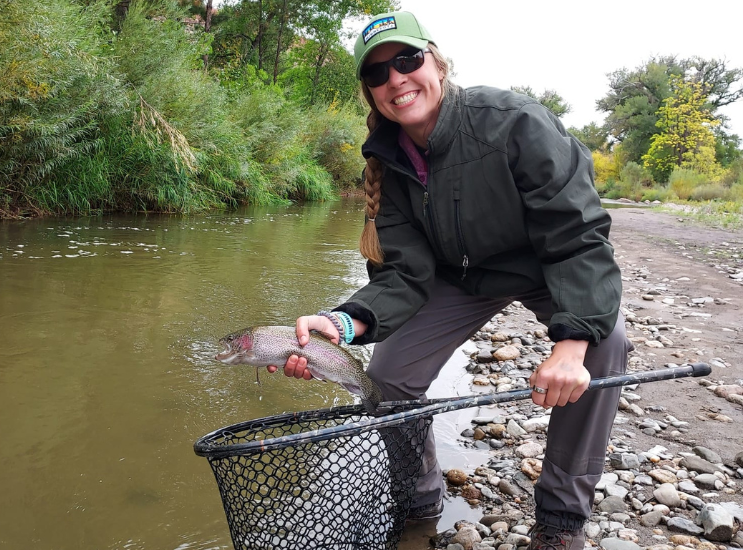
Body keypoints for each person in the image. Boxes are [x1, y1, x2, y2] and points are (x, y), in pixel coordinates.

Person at [267, 11, 632, 550]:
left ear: (436, 61)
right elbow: (403, 273)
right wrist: (342, 324)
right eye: (377, 73)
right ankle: (417, 498)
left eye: (407, 60)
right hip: (457, 277)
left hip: (541, 263)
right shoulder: (386, 162)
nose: (396, 79)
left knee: (605, 345)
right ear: (370, 92)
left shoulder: (514, 121)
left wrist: (572, 343)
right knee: (388, 377)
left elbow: (576, 235)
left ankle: (560, 520)